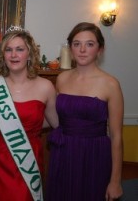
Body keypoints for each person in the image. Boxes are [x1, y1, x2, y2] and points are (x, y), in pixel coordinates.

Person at [47, 22, 123, 201]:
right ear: (70, 48)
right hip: (63, 153)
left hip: (94, 155)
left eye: (89, 44)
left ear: (100, 49)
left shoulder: (110, 84)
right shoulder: (62, 78)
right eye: (76, 44)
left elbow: (117, 136)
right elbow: (54, 117)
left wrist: (115, 181)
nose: (82, 49)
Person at [0, 26, 59, 201]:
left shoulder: (45, 86)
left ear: (29, 54)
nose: (13, 55)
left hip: (27, 159)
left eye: (19, 49)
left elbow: (55, 123)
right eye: (8, 50)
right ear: (3, 55)